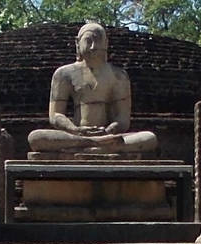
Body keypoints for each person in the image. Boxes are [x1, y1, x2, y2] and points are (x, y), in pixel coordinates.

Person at [27, 22, 158, 156]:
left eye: (98, 41)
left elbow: (123, 118)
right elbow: (55, 115)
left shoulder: (119, 75)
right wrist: (75, 129)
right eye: (88, 41)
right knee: (36, 138)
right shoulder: (64, 74)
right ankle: (96, 143)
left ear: (106, 43)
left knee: (149, 138)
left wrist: (108, 130)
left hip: (107, 134)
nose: (93, 47)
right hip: (76, 135)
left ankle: (94, 144)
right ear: (77, 43)